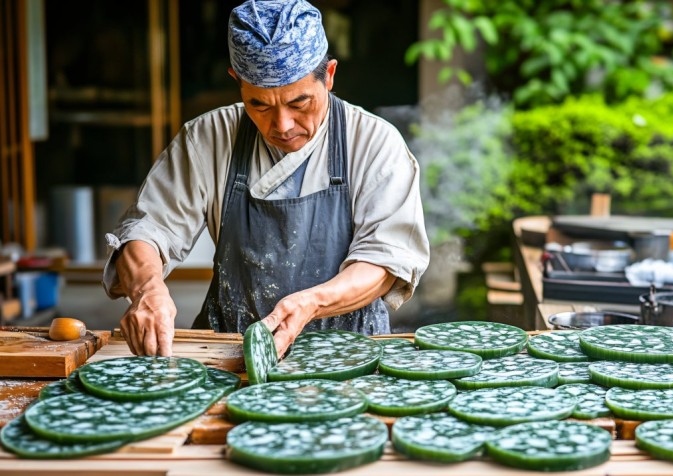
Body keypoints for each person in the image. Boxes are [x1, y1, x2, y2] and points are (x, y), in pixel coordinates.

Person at [102, 0, 429, 358]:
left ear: (330, 75)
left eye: (299, 103)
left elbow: (385, 261)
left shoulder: (373, 142)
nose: (282, 125)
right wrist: (148, 290)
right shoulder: (209, 138)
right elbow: (148, 230)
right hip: (231, 353)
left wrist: (312, 303)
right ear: (237, 82)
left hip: (350, 356)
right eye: (259, 105)